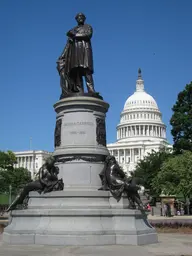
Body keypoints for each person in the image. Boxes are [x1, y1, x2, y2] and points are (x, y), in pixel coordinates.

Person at [57, 13, 95, 95]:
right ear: (76, 19)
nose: (80, 18)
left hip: (85, 50)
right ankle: (79, 90)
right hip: (75, 53)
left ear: (84, 18)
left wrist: (74, 36)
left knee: (87, 70)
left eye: (81, 17)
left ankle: (91, 90)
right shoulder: (73, 30)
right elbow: (68, 44)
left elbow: (88, 35)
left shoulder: (88, 27)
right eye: (78, 17)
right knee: (77, 71)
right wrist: (62, 56)